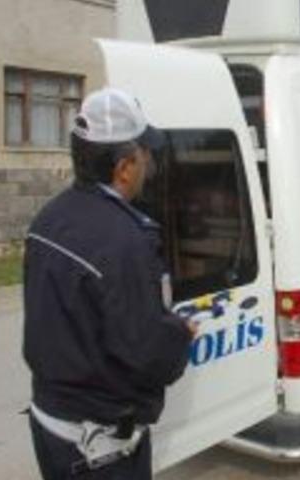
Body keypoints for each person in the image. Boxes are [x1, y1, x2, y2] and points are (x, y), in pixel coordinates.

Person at [22, 88, 195, 479]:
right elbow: (148, 354)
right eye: (145, 154)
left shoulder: (47, 219)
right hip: (99, 452)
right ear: (124, 168)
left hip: (49, 425)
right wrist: (180, 334)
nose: (149, 162)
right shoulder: (126, 241)